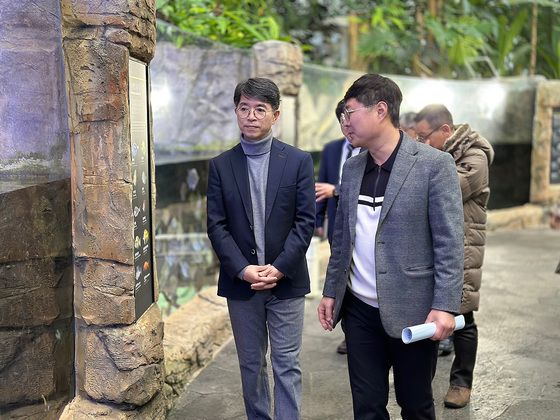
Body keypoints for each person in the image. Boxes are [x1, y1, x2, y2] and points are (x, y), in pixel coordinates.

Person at [317, 74, 464, 420]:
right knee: (367, 407)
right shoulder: (352, 168)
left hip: (413, 309)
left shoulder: (433, 165)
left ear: (380, 110)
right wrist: (330, 291)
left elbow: (450, 242)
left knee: (415, 406)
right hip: (359, 312)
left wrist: (445, 306)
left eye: (349, 112)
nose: (344, 122)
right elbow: (342, 238)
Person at [207, 77, 316, 420]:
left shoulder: (298, 161)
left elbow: (305, 221)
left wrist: (280, 267)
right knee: (251, 366)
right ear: (236, 112)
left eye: (260, 109)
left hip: (287, 280)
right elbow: (216, 225)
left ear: (275, 115)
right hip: (243, 283)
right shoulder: (221, 165)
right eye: (244, 108)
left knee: (286, 364)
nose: (251, 116)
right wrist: (243, 269)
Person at [414, 104, 494, 409]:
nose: (421, 143)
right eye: (417, 138)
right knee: (432, 314)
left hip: (464, 245)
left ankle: (461, 382)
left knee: (463, 315)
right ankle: (422, 379)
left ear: (445, 131)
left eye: (424, 137)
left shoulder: (475, 157)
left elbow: (443, 189)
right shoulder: (439, 155)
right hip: (436, 243)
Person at [315, 100, 361, 355]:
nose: (347, 125)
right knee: (341, 281)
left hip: (365, 229)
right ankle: (350, 334)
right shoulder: (332, 150)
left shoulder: (371, 149)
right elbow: (321, 188)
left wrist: (336, 191)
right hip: (337, 226)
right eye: (342, 121)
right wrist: (318, 222)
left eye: (350, 119)